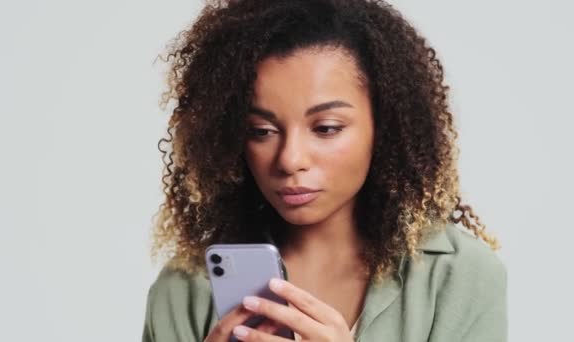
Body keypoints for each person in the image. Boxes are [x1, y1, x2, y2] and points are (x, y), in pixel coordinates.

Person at [142, 0, 507, 341]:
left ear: (384, 127)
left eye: (326, 127)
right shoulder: (184, 288)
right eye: (261, 131)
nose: (290, 159)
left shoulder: (460, 276)